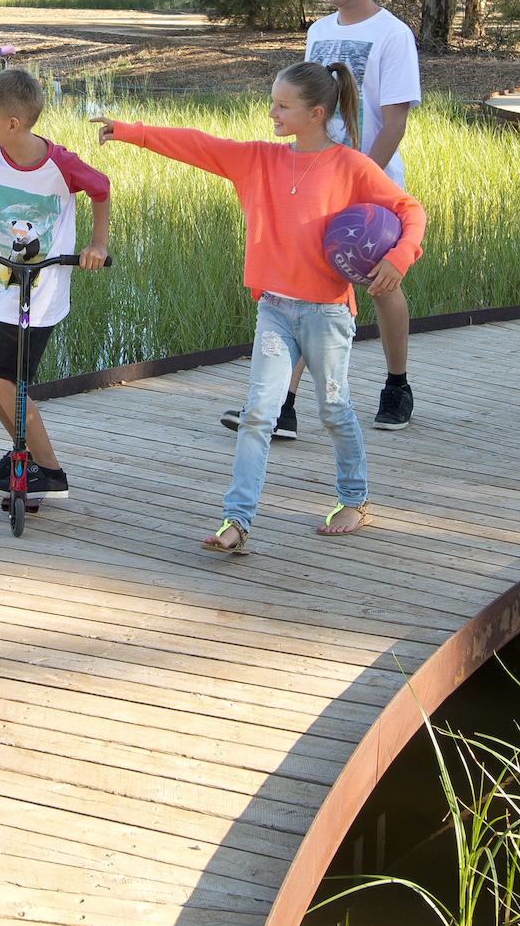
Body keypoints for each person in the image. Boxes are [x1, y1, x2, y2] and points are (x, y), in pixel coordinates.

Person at [105, 62, 424, 557]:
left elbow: (411, 211)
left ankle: (354, 500)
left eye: (282, 105)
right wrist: (133, 132)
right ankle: (238, 519)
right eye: (272, 101)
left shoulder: (351, 167)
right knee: (259, 415)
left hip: (328, 314)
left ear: (316, 113)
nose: (270, 112)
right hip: (274, 310)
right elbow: (200, 144)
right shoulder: (259, 160)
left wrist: (398, 258)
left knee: (334, 409)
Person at [222, 0, 424, 441]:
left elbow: (394, 121)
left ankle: (397, 385)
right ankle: (283, 405)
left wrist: (359, 179)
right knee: (304, 287)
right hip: (315, 181)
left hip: (367, 184)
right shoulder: (317, 31)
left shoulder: (393, 34)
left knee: (381, 285)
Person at [0, 67, 112, 501]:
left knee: (4, 380)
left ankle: (50, 472)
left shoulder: (60, 163)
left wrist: (97, 244)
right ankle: (24, 451)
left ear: (11, 125)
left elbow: (101, 190)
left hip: (43, 290)